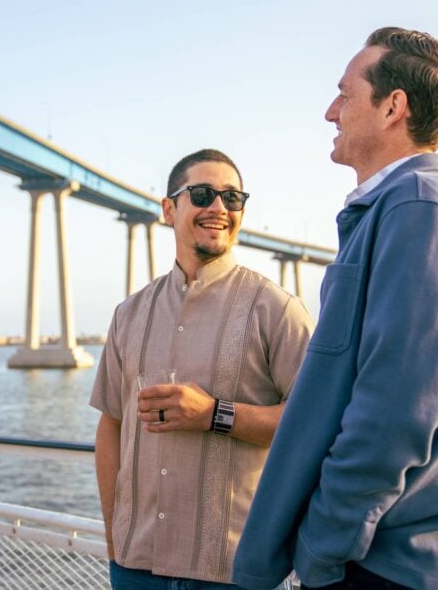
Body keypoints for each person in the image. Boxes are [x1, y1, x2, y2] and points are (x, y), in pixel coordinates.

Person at [232, 28, 438, 590]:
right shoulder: (401, 211)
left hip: (380, 566)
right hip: (381, 559)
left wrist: (321, 549)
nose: (330, 111)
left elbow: (394, 412)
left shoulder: (420, 210)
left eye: (344, 94)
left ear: (392, 107)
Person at [91, 149, 315, 588]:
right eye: (203, 193)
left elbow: (314, 424)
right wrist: (115, 539)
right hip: (136, 567)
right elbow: (111, 426)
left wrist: (215, 415)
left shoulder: (278, 310)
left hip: (234, 572)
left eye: (232, 198)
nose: (218, 207)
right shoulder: (128, 314)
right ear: (169, 209)